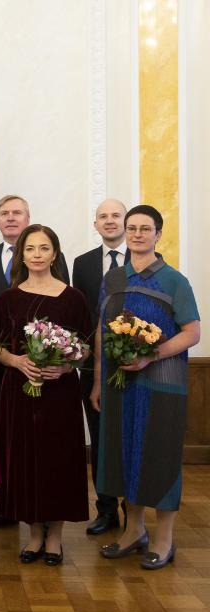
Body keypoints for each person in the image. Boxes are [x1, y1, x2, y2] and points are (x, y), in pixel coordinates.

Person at [91, 205, 200, 570]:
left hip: (163, 385)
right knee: (125, 455)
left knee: (159, 457)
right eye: (131, 228)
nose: (137, 234)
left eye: (145, 228)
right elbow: (102, 332)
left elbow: (192, 332)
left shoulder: (174, 281)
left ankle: (164, 539)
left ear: (158, 234)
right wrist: (96, 381)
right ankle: (133, 531)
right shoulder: (114, 278)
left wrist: (151, 356)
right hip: (120, 384)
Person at [0, 224, 92, 566]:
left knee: (58, 462)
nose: (36, 255)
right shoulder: (8, 298)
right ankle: (34, 535)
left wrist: (66, 367)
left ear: (54, 254)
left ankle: (55, 538)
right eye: (30, 248)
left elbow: (85, 348)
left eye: (43, 248)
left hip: (60, 395)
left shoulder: (73, 297)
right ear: (21, 254)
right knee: (24, 462)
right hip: (19, 393)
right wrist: (16, 361)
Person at [0, 194, 69, 530]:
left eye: (18, 213)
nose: (11, 218)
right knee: (5, 439)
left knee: (43, 441)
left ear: (28, 218)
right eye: (4, 213)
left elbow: (63, 317)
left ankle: (44, 507)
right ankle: (6, 505)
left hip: (41, 369)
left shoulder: (53, 262)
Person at [72, 198, 127, 535]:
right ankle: (105, 510)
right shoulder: (83, 263)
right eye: (103, 216)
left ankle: (132, 509)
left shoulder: (148, 260)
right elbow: (82, 315)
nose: (109, 221)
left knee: (129, 437)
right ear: (95, 225)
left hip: (138, 363)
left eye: (116, 215)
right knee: (100, 438)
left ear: (127, 221)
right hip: (93, 367)